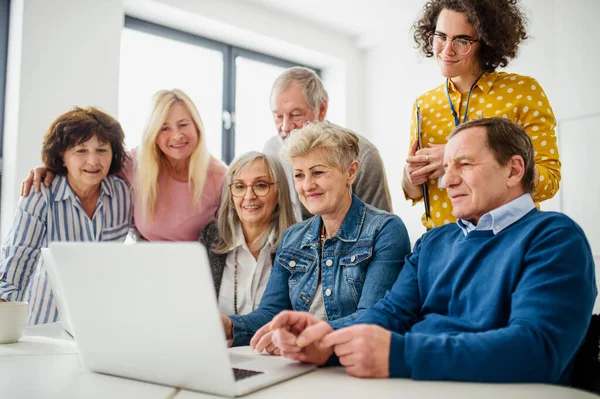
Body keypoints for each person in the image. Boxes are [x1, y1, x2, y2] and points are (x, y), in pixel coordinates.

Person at [268, 117, 596, 385]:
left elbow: (535, 351)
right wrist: (322, 338)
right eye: (446, 167)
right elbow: (389, 314)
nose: (445, 182)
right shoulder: (434, 242)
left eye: (463, 165)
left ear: (513, 170)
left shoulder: (554, 238)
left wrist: (401, 354)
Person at [222, 121, 410, 352]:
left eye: (318, 172)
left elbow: (373, 318)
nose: (307, 185)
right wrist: (230, 326)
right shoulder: (293, 237)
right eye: (299, 175)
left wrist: (304, 336)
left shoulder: (385, 230)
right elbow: (271, 313)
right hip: (296, 363)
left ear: (350, 172)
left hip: (348, 368)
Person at [403, 0, 561, 229]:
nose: (447, 50)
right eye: (441, 36)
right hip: (441, 244)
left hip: (505, 239)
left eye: (462, 40)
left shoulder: (522, 92)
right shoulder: (423, 104)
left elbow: (549, 181)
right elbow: (416, 192)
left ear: (486, 43)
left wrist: (453, 156)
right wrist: (410, 177)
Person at [22, 89, 227, 241]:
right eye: (164, 128)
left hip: (196, 277)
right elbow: (92, 167)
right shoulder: (135, 165)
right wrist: (52, 168)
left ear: (197, 127)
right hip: (143, 275)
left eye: (183, 125)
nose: (176, 135)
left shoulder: (220, 177)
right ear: (153, 134)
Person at [0, 107, 133, 325]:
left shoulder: (124, 194)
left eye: (102, 150)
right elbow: (18, 258)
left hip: (104, 322)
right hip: (47, 323)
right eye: (80, 151)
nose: (93, 161)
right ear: (62, 156)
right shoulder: (40, 194)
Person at [263, 66, 392, 220]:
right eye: (278, 116)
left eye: (295, 114)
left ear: (322, 109)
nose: (284, 127)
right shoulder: (271, 151)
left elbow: (380, 226)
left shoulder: (364, 155)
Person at [199, 151, 296, 315]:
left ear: (279, 191)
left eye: (261, 185)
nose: (249, 196)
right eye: (240, 186)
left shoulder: (299, 244)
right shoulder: (211, 237)